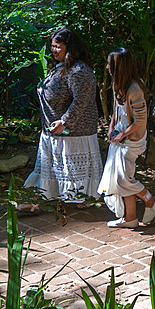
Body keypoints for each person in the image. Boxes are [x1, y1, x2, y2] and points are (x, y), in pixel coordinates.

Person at [20, 28, 102, 211]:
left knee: (71, 169)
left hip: (73, 132)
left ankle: (82, 197)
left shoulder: (79, 70)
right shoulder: (60, 66)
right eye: (53, 46)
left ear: (70, 48)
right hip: (54, 130)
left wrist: (65, 122)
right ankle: (38, 200)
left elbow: (82, 100)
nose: (54, 50)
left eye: (58, 46)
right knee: (51, 168)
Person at [98, 48, 155, 228]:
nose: (107, 67)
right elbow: (115, 112)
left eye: (110, 64)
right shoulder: (117, 84)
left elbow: (141, 121)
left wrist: (122, 135)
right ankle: (130, 218)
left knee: (123, 179)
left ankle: (150, 200)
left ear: (119, 67)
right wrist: (111, 129)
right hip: (120, 136)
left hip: (132, 139)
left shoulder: (135, 88)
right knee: (123, 175)